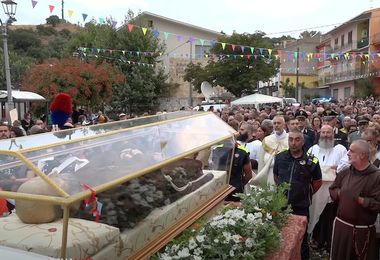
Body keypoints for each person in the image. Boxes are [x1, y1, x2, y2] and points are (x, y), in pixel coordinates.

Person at [273, 130, 322, 260]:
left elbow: (317, 182)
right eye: (291, 139)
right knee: (281, 236)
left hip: (301, 207)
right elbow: (276, 177)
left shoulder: (312, 161)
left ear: (303, 141)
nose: (293, 143)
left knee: (301, 238)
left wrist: (304, 193)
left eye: (297, 139)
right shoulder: (279, 157)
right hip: (282, 205)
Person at [329, 140, 380, 260]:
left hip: (362, 232)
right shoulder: (345, 172)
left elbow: (378, 204)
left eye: (351, 151)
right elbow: (333, 188)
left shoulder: (376, 177)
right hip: (341, 228)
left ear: (362, 155)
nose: (347, 153)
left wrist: (360, 200)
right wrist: (340, 194)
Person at [307, 125, 347, 251]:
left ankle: (330, 242)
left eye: (328, 132)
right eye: (323, 132)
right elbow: (308, 163)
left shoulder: (340, 149)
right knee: (317, 216)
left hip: (332, 190)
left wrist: (336, 168)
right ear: (319, 134)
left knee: (330, 217)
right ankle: (317, 239)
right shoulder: (313, 149)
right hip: (317, 190)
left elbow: (345, 165)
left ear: (333, 134)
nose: (325, 135)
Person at [255, 116, 288, 185]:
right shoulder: (267, 140)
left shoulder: (290, 139)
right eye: (274, 123)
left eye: (279, 123)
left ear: (284, 125)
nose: (276, 125)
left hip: (286, 173)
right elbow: (261, 161)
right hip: (270, 174)